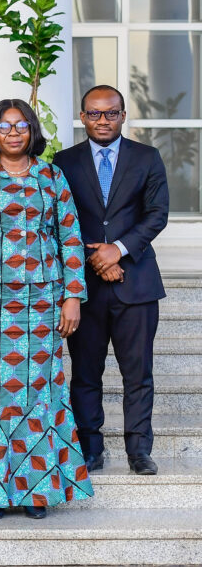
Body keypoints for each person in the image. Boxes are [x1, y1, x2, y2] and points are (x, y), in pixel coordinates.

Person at [0, 99, 94, 519]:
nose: (14, 133)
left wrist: (72, 296)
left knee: (40, 393)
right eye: (6, 126)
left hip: (43, 306)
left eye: (22, 125)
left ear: (32, 131)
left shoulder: (52, 176)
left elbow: (69, 238)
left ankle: (36, 490)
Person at [53, 85, 169, 476]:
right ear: (82, 117)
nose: (103, 120)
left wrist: (117, 250)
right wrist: (98, 258)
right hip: (82, 287)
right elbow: (57, 221)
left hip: (136, 284)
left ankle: (139, 450)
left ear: (123, 115)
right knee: (85, 372)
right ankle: (89, 448)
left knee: (138, 373)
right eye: (95, 113)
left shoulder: (147, 158)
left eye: (112, 113)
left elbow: (156, 214)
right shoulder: (62, 162)